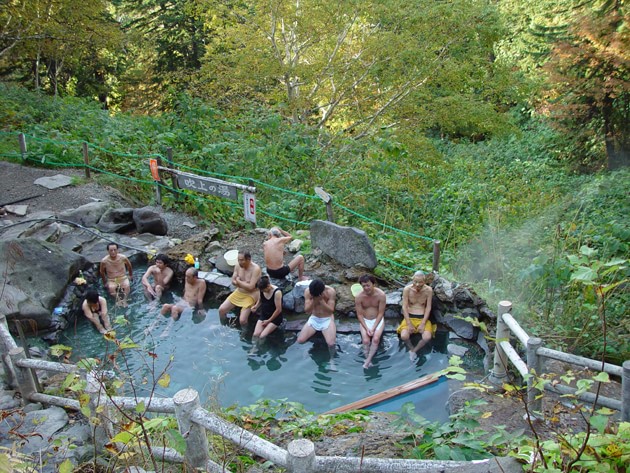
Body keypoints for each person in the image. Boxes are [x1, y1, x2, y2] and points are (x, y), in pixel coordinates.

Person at [398, 271, 435, 361]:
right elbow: (404, 307)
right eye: (415, 281)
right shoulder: (407, 289)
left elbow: (428, 307)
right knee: (404, 336)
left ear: (424, 281)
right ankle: (411, 347)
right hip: (409, 317)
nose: (417, 284)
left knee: (427, 337)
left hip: (422, 317)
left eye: (420, 282)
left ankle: (414, 350)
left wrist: (423, 323)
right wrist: (409, 323)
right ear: (412, 280)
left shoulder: (428, 290)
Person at [219, 250, 262, 325]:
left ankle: (244, 334)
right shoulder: (238, 266)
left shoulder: (255, 269)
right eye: (238, 260)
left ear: (248, 259)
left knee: (242, 320)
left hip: (252, 294)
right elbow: (233, 281)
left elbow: (251, 287)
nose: (239, 262)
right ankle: (224, 325)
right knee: (221, 310)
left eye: (242, 260)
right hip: (239, 292)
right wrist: (244, 284)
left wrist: (239, 282)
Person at [355, 274, 386, 368]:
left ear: (373, 284)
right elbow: (359, 315)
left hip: (378, 320)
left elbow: (381, 313)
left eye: (368, 285)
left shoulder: (381, 295)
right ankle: (367, 358)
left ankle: (367, 361)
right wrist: (367, 328)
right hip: (365, 320)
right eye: (363, 286)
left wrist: (373, 327)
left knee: (376, 339)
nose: (366, 288)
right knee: (365, 341)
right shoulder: (359, 297)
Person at [297, 279, 337, 354]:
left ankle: (332, 362)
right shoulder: (308, 291)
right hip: (314, 318)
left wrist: (322, 301)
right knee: (300, 340)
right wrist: (314, 301)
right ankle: (306, 354)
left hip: (327, 318)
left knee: (331, 344)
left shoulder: (330, 291)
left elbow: (331, 311)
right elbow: (307, 311)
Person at [250, 276, 283, 345]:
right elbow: (260, 300)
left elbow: (278, 309)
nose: (262, 292)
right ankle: (254, 349)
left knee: (262, 336)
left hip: (275, 318)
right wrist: (256, 306)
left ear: (268, 286)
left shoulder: (277, 292)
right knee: (256, 334)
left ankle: (261, 348)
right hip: (264, 315)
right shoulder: (262, 289)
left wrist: (269, 321)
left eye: (263, 290)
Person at [100, 242, 133, 307]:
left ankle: (124, 300)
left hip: (123, 277)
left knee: (126, 286)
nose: (113, 252)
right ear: (108, 251)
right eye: (111, 250)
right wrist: (104, 282)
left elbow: (129, 266)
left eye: (115, 250)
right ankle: (118, 300)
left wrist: (130, 275)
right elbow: (101, 272)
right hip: (112, 279)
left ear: (117, 250)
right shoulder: (104, 261)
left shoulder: (123, 257)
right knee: (112, 289)